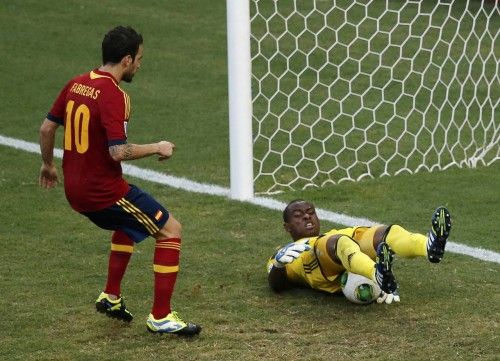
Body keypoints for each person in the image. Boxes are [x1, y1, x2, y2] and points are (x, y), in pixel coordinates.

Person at [39, 25, 201, 336]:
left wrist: (48, 165)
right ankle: (161, 316)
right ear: (126, 60)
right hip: (103, 192)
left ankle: (111, 297)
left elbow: (47, 129)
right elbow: (118, 151)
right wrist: (158, 146)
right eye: (139, 59)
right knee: (170, 230)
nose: (140, 65)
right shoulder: (114, 95)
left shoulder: (76, 84)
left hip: (75, 190)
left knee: (128, 225)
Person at [267, 199, 452, 304]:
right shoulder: (287, 253)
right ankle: (377, 273)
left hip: (340, 242)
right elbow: (277, 285)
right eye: (298, 216)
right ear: (287, 227)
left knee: (387, 233)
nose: (307, 216)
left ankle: (428, 247)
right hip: (315, 259)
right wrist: (278, 264)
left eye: (310, 211)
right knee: (341, 243)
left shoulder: (333, 232)